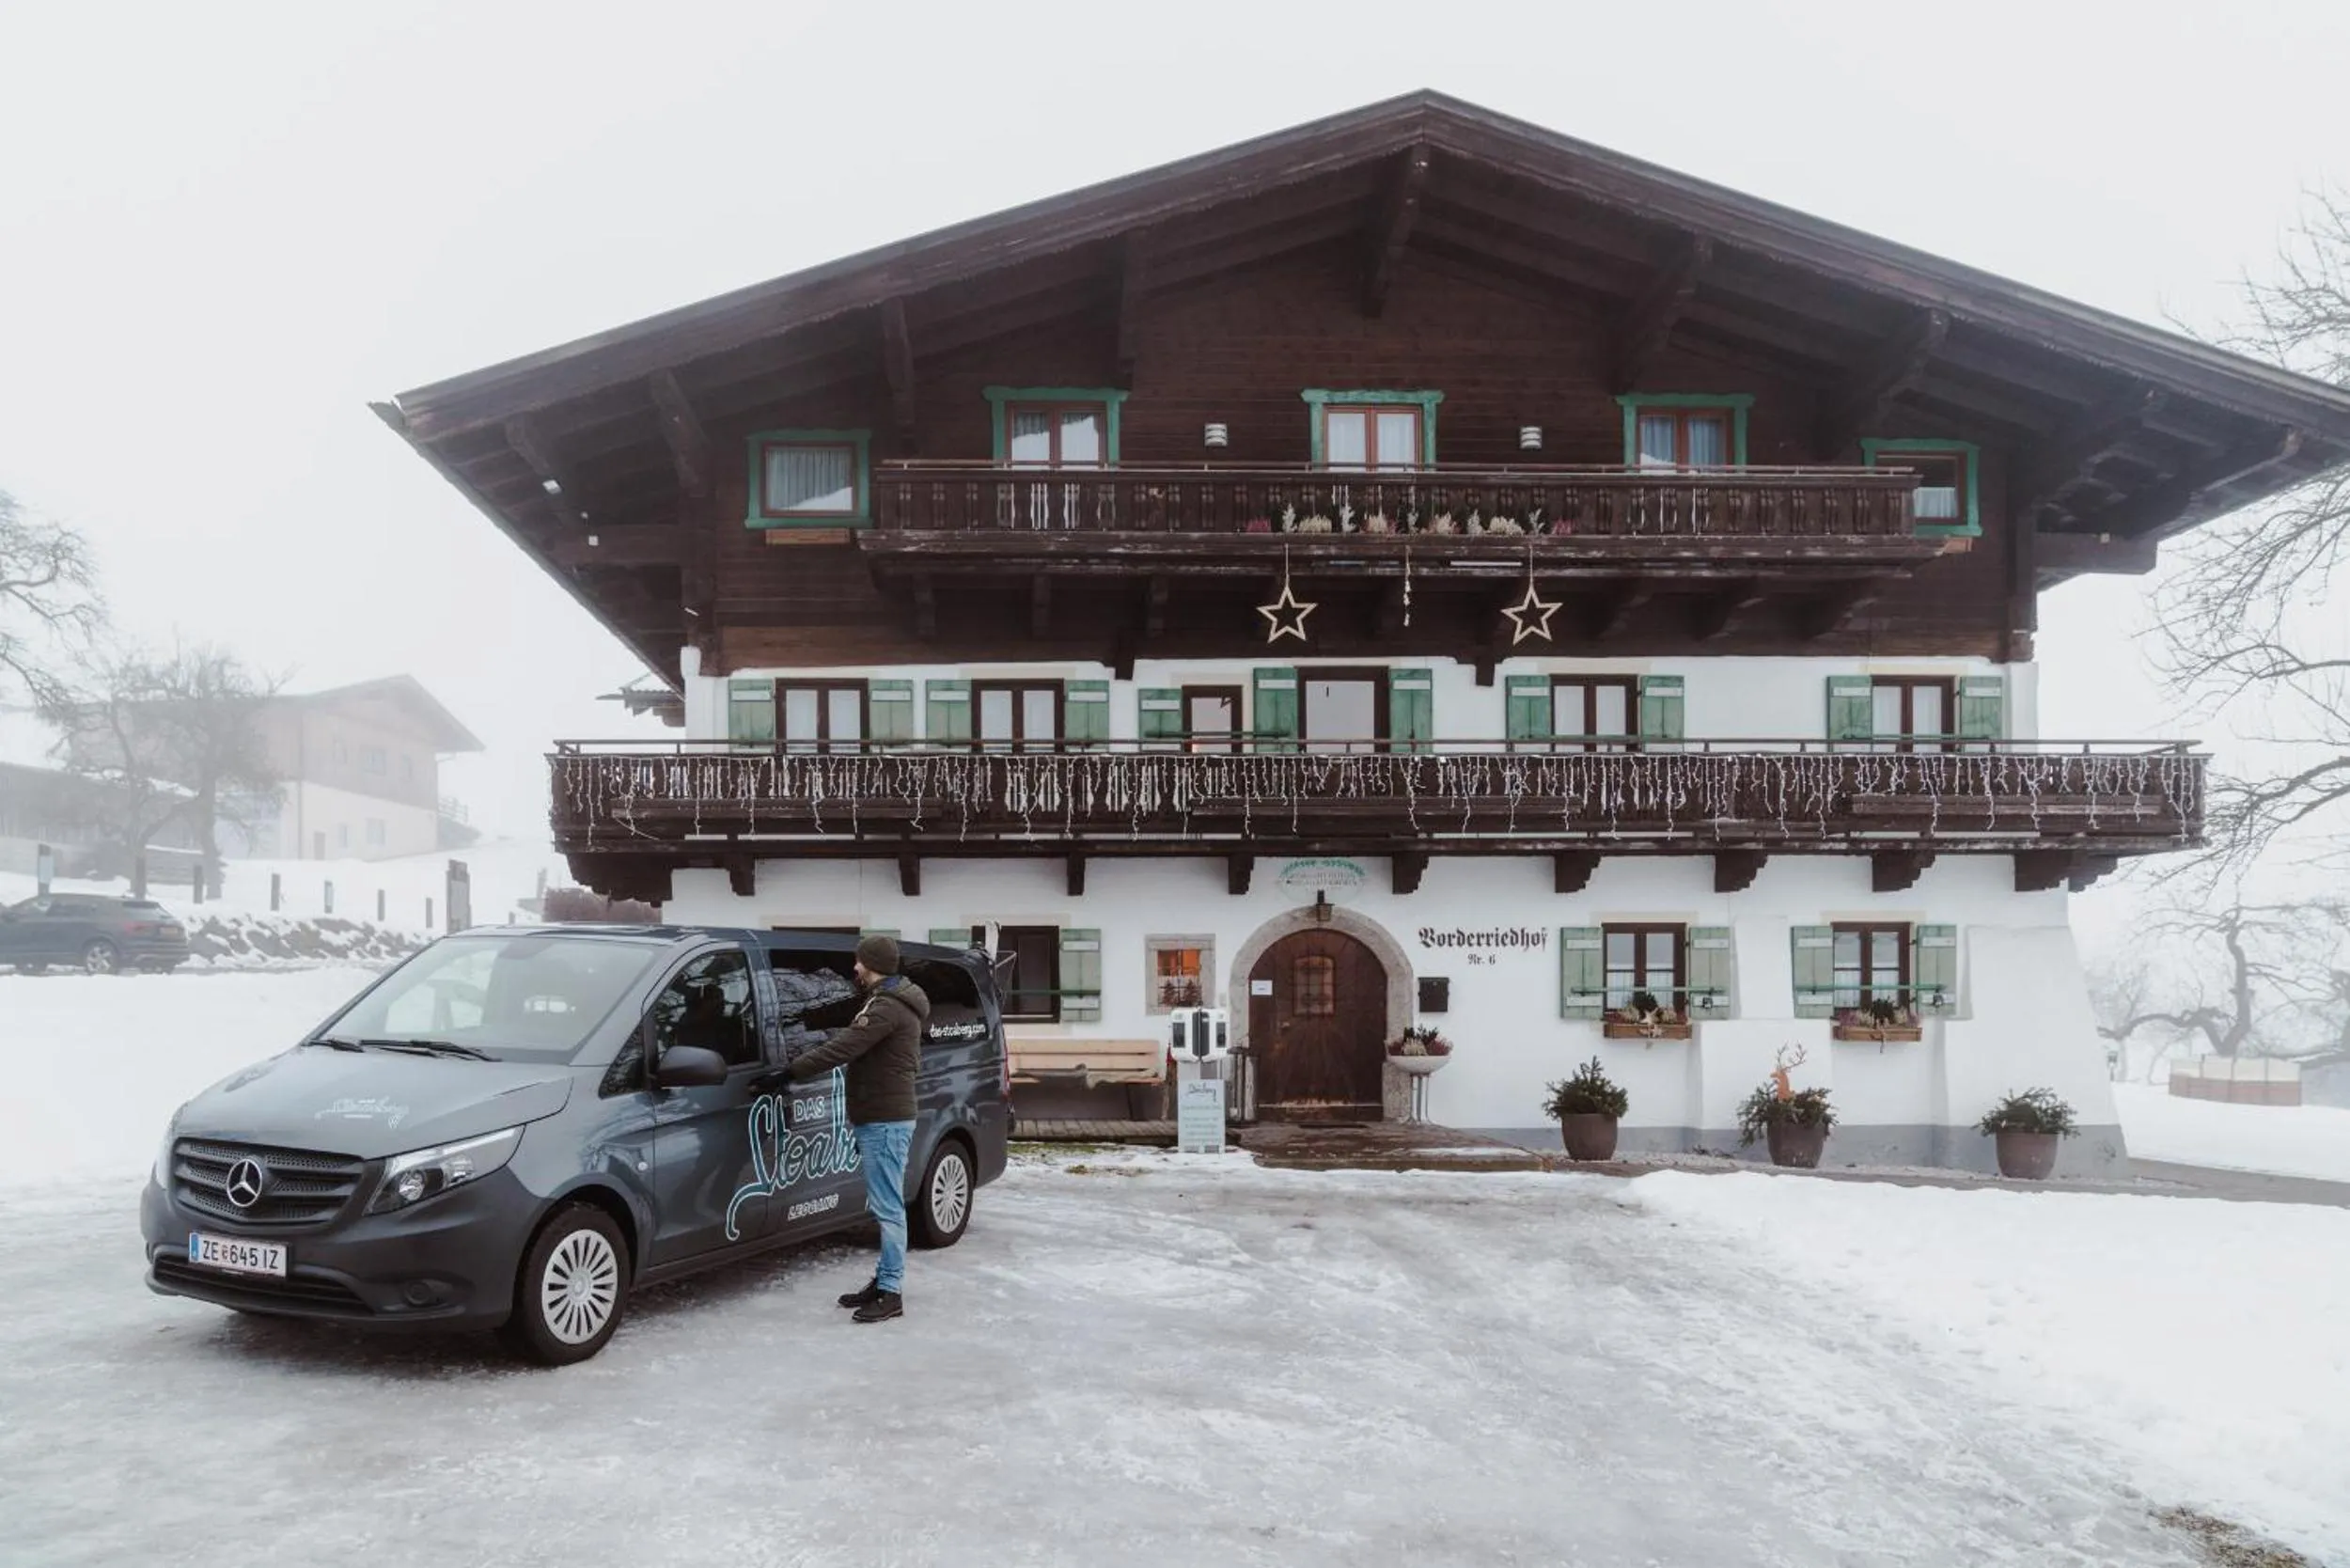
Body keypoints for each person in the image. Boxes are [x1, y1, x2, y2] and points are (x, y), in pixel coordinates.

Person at [782, 933, 928, 1324]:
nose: (855, 967)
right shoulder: (890, 1001)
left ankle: (891, 1292)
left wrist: (789, 1070)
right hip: (881, 1117)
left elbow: (843, 1047)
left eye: (859, 962)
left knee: (888, 1207)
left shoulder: (886, 1008)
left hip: (885, 1120)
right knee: (885, 1203)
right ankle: (883, 1282)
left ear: (874, 964)